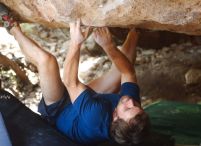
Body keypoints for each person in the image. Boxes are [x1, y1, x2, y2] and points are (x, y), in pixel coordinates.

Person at [0, 3, 150, 145]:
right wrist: (108, 46)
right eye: (136, 106)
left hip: (60, 110)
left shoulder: (95, 117)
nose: (131, 102)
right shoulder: (132, 109)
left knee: (47, 62)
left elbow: (70, 81)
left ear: (115, 117)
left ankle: (11, 26)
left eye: (128, 108)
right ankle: (136, 31)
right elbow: (128, 72)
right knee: (122, 69)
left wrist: (76, 43)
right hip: (89, 101)